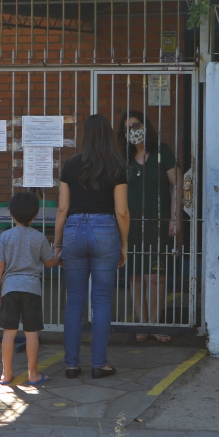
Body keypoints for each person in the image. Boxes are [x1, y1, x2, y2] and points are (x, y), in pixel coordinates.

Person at [54, 114, 130, 379]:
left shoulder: (71, 164)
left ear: (85, 136)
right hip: (104, 230)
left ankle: (71, 365)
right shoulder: (116, 166)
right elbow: (121, 212)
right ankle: (99, 364)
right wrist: (123, 244)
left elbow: (62, 209)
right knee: (101, 300)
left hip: (73, 230)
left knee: (74, 301)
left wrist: (58, 244)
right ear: (109, 135)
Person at [118, 111, 182, 343]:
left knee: (156, 277)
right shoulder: (123, 159)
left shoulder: (162, 152)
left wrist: (175, 217)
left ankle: (155, 324)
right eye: (128, 128)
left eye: (136, 125)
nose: (133, 131)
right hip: (130, 225)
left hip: (158, 225)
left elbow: (178, 183)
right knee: (135, 277)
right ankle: (141, 324)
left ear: (146, 125)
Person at [0, 192, 60, 386]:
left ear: (11, 214)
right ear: (35, 215)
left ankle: (6, 374)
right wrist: (59, 257)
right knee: (31, 332)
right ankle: (33, 374)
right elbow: (49, 262)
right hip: (32, 289)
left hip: (9, 289)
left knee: (9, 332)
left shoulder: (5, 236)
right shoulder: (39, 237)